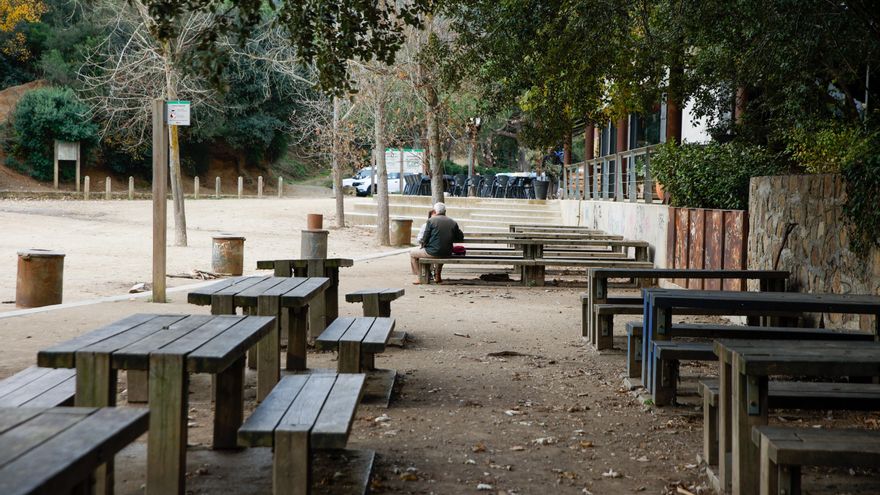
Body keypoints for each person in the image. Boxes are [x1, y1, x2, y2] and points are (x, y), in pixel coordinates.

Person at [409, 202, 464, 284]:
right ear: (445, 211)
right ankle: (437, 276)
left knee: (412, 254)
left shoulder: (431, 221)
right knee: (441, 249)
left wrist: (423, 245)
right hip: (448, 252)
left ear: (435, 211)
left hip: (433, 252)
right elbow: (460, 236)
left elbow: (425, 238)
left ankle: (419, 277)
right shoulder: (453, 222)